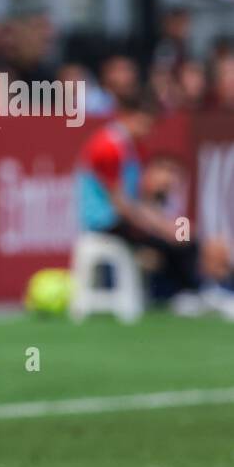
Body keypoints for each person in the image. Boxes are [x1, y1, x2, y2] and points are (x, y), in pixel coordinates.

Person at [76, 90, 234, 317]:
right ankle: (199, 291)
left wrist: (168, 224)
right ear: (126, 116)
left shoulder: (131, 146)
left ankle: (191, 292)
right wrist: (161, 227)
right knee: (176, 239)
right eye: (145, 123)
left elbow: (137, 199)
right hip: (106, 222)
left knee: (183, 234)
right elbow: (121, 204)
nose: (148, 130)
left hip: (123, 218)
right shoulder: (107, 147)